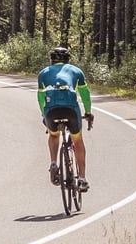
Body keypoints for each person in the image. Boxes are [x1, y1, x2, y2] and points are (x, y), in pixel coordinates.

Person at [37, 46, 94, 192]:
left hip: (51, 112)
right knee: (77, 140)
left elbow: (41, 97)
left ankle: (54, 163)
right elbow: (85, 94)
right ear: (67, 60)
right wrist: (88, 112)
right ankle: (82, 179)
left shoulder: (43, 73)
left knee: (53, 134)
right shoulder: (76, 71)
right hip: (70, 110)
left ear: (52, 60)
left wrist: (44, 115)